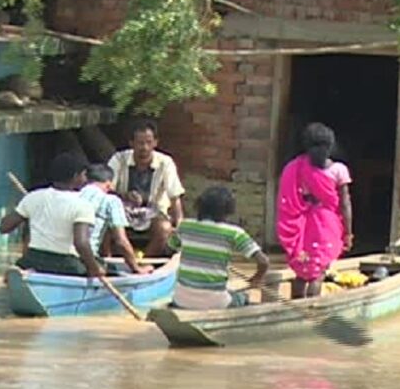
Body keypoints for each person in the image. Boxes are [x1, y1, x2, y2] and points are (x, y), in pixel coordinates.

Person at [276, 122, 354, 299]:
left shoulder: (296, 166)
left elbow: (288, 198)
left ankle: (295, 311)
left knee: (302, 273)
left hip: (303, 222)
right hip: (327, 224)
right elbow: (345, 204)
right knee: (318, 272)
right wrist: (348, 233)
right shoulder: (339, 170)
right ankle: (313, 312)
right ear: (331, 145)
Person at [0, 152, 105, 278]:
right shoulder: (83, 205)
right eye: (84, 175)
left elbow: (4, 227)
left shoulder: (33, 197)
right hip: (66, 264)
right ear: (75, 176)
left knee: (20, 267)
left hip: (32, 260)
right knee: (103, 265)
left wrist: (24, 208)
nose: (86, 179)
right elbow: (81, 243)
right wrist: (95, 268)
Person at [169, 186, 270, 310]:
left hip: (181, 300)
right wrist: (257, 278)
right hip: (216, 302)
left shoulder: (184, 226)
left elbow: (172, 245)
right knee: (243, 297)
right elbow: (264, 262)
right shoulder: (234, 233)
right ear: (228, 210)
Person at [107, 121, 185, 257]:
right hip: (123, 211)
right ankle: (107, 261)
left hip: (154, 213)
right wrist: (124, 196)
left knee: (164, 229)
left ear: (155, 142)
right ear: (131, 143)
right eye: (140, 143)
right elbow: (106, 189)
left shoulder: (165, 162)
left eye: (149, 142)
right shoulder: (119, 159)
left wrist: (179, 225)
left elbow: (175, 196)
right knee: (105, 225)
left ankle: (144, 262)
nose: (144, 148)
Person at [79, 163, 152, 275]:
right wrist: (136, 268)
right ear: (109, 185)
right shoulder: (111, 201)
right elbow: (121, 241)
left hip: (66, 256)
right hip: (88, 260)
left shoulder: (73, 196)